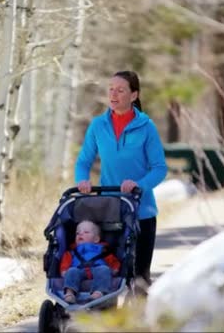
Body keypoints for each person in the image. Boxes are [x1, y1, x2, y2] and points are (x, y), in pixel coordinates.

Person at [75, 70, 167, 289]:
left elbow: (159, 168)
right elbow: (83, 162)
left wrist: (139, 185)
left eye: (120, 90)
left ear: (134, 95)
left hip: (142, 212)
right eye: (111, 89)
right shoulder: (98, 125)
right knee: (109, 271)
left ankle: (138, 319)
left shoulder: (146, 127)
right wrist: (82, 181)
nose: (113, 94)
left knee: (140, 278)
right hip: (109, 210)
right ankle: (108, 319)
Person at [60, 220, 120, 304]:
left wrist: (114, 268)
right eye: (77, 233)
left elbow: (111, 259)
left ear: (96, 239)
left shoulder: (102, 249)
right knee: (71, 271)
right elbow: (66, 261)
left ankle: (98, 292)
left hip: (97, 268)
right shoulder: (72, 251)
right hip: (78, 269)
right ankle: (69, 293)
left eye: (86, 232)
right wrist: (64, 270)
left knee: (104, 269)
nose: (80, 234)